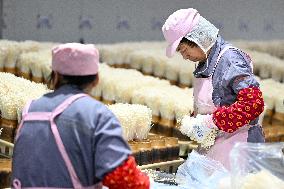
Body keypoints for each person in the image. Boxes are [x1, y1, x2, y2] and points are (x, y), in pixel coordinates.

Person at [11, 43, 150, 189]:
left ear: (56, 75)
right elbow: (126, 180)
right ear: (96, 79)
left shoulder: (29, 110)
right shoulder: (98, 115)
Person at [162, 8, 265, 170]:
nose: (184, 56)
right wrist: (194, 121)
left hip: (239, 149)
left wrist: (211, 122)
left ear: (196, 38)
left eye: (183, 49)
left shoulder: (230, 60)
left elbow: (253, 104)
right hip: (216, 146)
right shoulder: (205, 63)